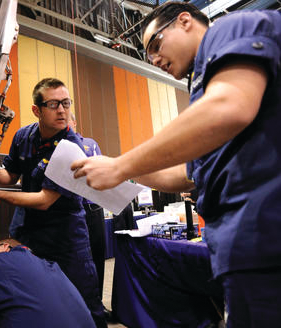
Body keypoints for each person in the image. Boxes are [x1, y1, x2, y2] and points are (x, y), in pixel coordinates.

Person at [71, 2, 281, 326]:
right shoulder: (202, 88)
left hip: (264, 233)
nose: (154, 59)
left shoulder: (228, 29)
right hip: (239, 243)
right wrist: (123, 169)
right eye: (147, 55)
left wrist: (121, 166)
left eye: (155, 44)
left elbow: (229, 106)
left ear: (185, 21)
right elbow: (188, 175)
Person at [0, 78, 106, 327]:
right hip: (31, 236)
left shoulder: (71, 147)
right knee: (41, 302)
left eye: (66, 103)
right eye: (54, 104)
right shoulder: (23, 136)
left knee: (85, 304)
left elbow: (44, 201)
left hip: (65, 241)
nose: (62, 110)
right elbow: (10, 176)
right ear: (37, 110)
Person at [68, 114, 107, 301]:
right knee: (75, 259)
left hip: (93, 208)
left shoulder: (90, 144)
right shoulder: (58, 147)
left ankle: (98, 301)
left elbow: (101, 170)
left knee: (97, 254)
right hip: (70, 209)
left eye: (68, 119)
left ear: (74, 122)